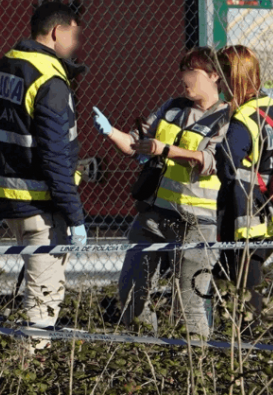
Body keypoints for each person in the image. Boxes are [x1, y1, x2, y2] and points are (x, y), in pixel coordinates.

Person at [92, 47, 230, 340]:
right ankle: (146, 362)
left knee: (189, 307)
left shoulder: (226, 118)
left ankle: (196, 373)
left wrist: (165, 149)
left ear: (214, 75)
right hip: (153, 217)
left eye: (191, 70)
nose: (183, 76)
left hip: (197, 226)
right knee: (131, 295)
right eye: (182, 70)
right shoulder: (172, 106)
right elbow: (137, 147)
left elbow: (208, 162)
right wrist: (110, 132)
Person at [0, 1, 87, 344]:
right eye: (74, 35)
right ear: (57, 32)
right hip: (40, 203)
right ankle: (29, 373)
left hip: (6, 194)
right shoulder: (50, 80)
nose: (77, 44)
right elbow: (56, 158)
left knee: (33, 292)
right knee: (43, 302)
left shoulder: (7, 65)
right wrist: (74, 216)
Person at [214, 45, 273, 320]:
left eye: (221, 75)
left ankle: (243, 350)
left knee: (243, 298)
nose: (217, 82)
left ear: (233, 78)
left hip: (247, 219)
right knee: (248, 290)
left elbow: (227, 166)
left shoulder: (243, 120)